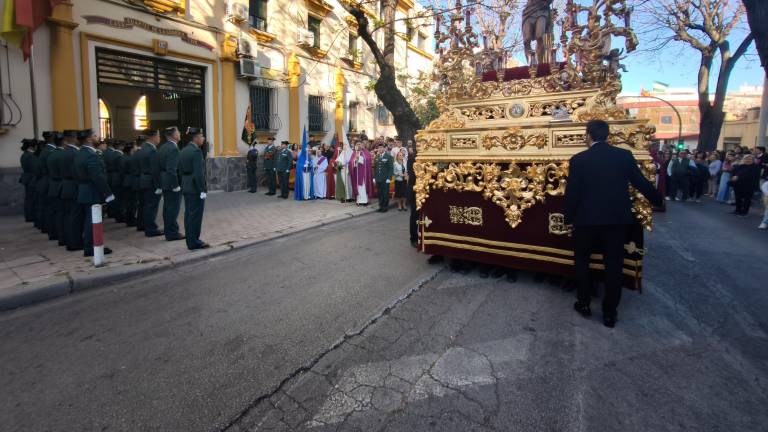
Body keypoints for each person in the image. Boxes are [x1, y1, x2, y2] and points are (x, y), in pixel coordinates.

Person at [565, 120, 663, 328]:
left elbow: (572, 194)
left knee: (582, 262)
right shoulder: (623, 156)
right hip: (616, 222)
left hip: (586, 221)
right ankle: (610, 313)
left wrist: (569, 218)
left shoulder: (579, 159)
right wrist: (658, 200)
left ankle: (584, 303)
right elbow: (641, 182)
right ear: (607, 136)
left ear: (588, 135)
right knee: (613, 266)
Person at [73, 129, 115, 257]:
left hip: (84, 190)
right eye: (95, 135)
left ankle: (91, 245)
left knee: (89, 220)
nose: (98, 137)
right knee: (93, 221)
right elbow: (97, 176)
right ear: (89, 139)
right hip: (92, 191)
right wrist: (108, 193)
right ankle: (92, 247)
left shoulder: (80, 153)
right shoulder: (91, 155)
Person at [179, 127, 209, 250]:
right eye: (201, 136)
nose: (203, 138)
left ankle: (190, 240)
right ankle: (194, 242)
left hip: (186, 186)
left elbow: (179, 170)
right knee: (195, 216)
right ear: (196, 138)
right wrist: (202, 189)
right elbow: (199, 174)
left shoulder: (184, 150)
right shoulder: (196, 152)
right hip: (195, 188)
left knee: (188, 215)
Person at [157, 127, 185, 241]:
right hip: (171, 183)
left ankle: (169, 231)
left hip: (165, 181)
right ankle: (172, 233)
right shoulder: (173, 149)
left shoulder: (163, 147)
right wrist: (175, 185)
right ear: (173, 135)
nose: (180, 134)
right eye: (178, 132)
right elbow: (171, 169)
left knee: (167, 208)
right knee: (172, 209)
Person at [136, 129, 163, 237]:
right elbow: (155, 170)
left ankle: (144, 225)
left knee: (145, 205)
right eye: (158, 135)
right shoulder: (152, 150)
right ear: (152, 137)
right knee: (151, 206)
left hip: (143, 180)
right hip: (151, 181)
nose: (159, 138)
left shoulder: (142, 148)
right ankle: (151, 229)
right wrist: (158, 185)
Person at [59, 131, 82, 251]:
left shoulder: (62, 152)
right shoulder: (74, 153)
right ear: (73, 138)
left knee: (67, 215)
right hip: (74, 186)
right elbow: (77, 172)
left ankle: (67, 240)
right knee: (75, 216)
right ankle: (75, 242)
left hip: (65, 185)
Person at [35, 131, 57, 234]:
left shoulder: (45, 150)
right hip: (48, 180)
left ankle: (46, 227)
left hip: (43, 180)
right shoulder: (51, 151)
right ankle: (51, 229)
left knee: (46, 207)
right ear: (52, 139)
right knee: (51, 208)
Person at [46, 132, 65, 245]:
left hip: (53, 185)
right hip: (62, 185)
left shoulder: (51, 154)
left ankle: (58, 235)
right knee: (64, 213)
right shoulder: (63, 155)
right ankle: (63, 236)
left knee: (57, 213)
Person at [19, 139, 37, 223]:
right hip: (31, 178)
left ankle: (29, 215)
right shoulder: (30, 155)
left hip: (27, 177)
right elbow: (34, 168)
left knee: (29, 198)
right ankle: (30, 216)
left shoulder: (25, 154)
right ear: (31, 146)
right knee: (31, 199)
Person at [350, 141, 373, 206]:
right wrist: (354, 160)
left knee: (363, 187)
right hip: (357, 173)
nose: (358, 145)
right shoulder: (354, 153)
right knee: (358, 187)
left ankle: (365, 201)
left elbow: (368, 160)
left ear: (362, 145)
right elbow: (351, 162)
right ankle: (359, 201)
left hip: (364, 174)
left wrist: (359, 158)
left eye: (359, 144)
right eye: (357, 144)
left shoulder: (366, 152)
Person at [120, 142, 138, 227]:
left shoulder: (123, 157)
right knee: (132, 202)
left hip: (125, 181)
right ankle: (131, 219)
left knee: (128, 202)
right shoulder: (131, 159)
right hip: (131, 181)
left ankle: (129, 218)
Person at [130, 136, 146, 231]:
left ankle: (140, 223)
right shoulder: (142, 153)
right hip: (141, 180)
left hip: (136, 180)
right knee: (144, 204)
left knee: (140, 204)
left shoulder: (135, 153)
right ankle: (142, 224)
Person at [374, 143, 394, 212]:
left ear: (384, 148)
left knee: (385, 193)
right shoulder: (376, 156)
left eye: (381, 147)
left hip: (385, 179)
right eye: (379, 148)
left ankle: (385, 207)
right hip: (378, 179)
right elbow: (375, 168)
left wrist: (389, 178)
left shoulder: (388, 156)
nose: (380, 149)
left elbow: (391, 168)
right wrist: (374, 177)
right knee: (380, 193)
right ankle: (380, 206)